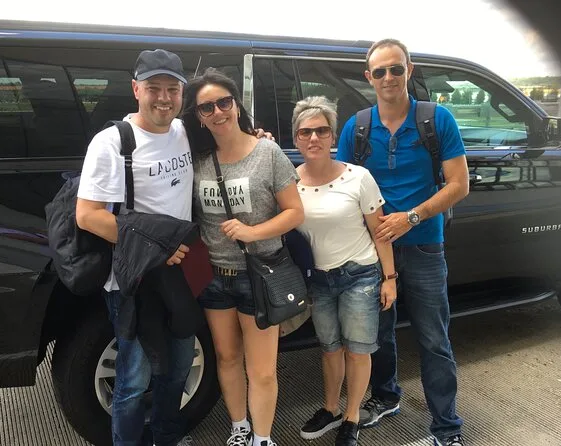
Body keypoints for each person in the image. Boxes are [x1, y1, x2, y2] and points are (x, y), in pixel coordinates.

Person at [336, 39, 470, 446]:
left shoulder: (436, 119)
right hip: (374, 251)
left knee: (434, 339)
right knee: (377, 333)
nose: (389, 77)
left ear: (409, 70)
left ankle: (446, 428)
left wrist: (411, 217)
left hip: (425, 245)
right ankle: (386, 396)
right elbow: (342, 184)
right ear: (369, 77)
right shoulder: (357, 127)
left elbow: (459, 185)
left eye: (396, 69)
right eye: (380, 71)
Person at [75, 49, 195, 446]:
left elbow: (229, 134)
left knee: (178, 367)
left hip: (180, 275)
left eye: (172, 89)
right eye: (153, 88)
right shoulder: (112, 142)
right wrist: (158, 247)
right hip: (133, 280)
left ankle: (166, 436)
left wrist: (259, 136)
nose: (164, 98)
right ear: (135, 89)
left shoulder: (184, 131)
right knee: (133, 380)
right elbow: (88, 215)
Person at [182, 68, 304, 446]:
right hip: (214, 276)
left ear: (236, 105)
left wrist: (254, 232)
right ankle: (239, 428)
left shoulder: (267, 152)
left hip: (260, 274)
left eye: (224, 102)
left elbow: (294, 212)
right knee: (227, 357)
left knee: (262, 369)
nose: (217, 112)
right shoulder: (197, 158)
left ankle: (262, 438)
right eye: (207, 108)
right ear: (198, 117)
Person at [292, 96, 397, 446]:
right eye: (305, 132)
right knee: (329, 349)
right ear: (296, 138)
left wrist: (390, 279)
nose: (314, 138)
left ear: (333, 136)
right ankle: (331, 408)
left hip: (360, 275)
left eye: (322, 130)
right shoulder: (289, 182)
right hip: (319, 280)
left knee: (358, 350)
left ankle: (351, 418)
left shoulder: (358, 178)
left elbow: (380, 231)